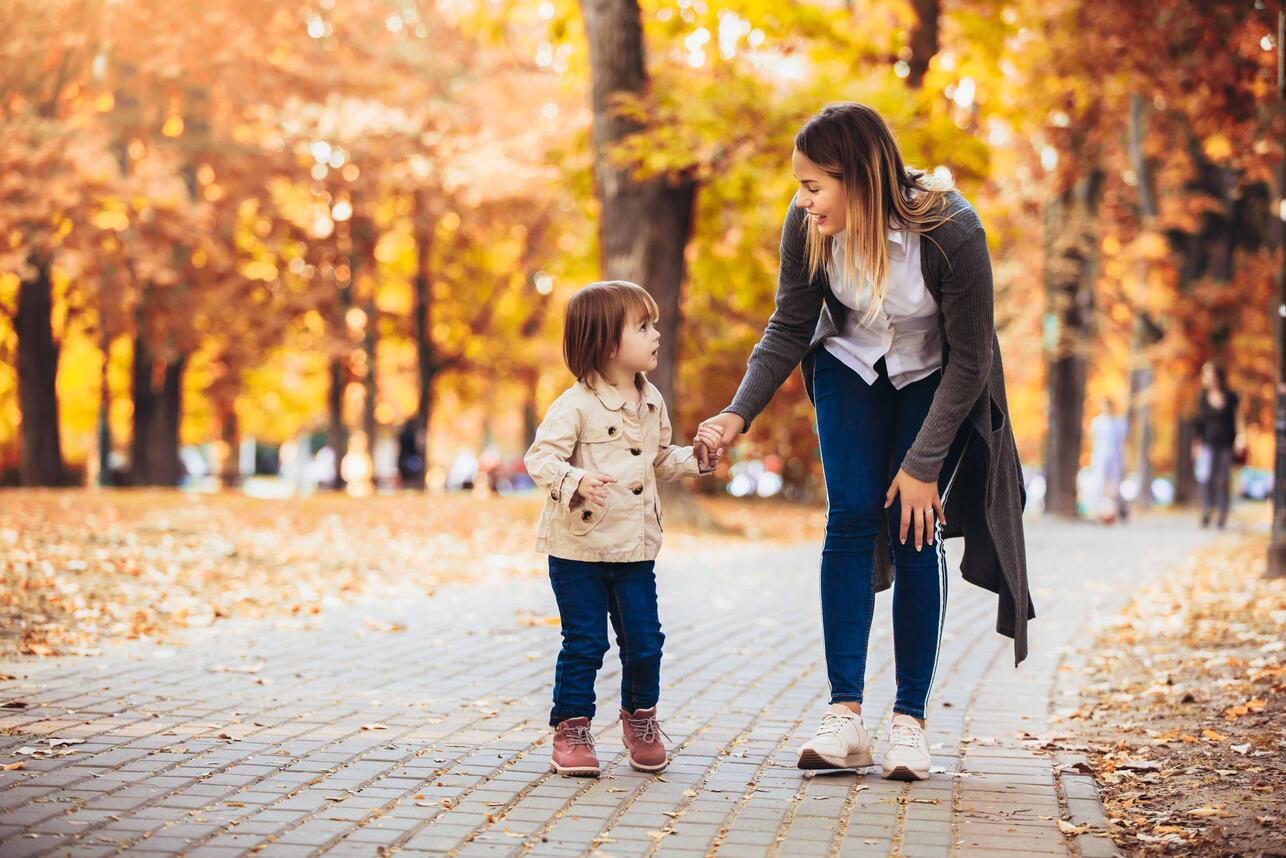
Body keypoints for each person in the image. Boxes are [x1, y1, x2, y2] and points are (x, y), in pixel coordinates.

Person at [697, 103, 1031, 781]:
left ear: (859, 179)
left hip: (935, 374)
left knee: (914, 525)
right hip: (851, 363)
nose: (802, 199)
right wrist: (738, 413)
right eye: (801, 185)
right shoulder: (809, 228)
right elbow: (789, 325)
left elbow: (971, 360)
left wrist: (923, 464)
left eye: (814, 185)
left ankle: (909, 721)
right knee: (850, 514)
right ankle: (844, 717)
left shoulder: (952, 230)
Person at [524, 280, 723, 778]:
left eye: (653, 324)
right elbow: (540, 457)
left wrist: (694, 460)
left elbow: (656, 459)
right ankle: (571, 727)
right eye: (643, 326)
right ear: (610, 344)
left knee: (645, 640)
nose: (657, 333)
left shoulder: (650, 398)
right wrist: (576, 478)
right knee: (585, 642)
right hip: (579, 548)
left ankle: (640, 719)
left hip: (634, 548)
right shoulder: (576, 404)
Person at [1192, 361, 1246, 529]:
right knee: (1206, 478)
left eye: (1208, 373)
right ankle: (1207, 508)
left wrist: (1240, 438)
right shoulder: (1202, 397)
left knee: (1223, 479)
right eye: (1204, 374)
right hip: (1208, 444)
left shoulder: (1231, 397)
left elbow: (1238, 419)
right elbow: (1199, 423)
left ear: (1217, 376)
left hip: (1226, 444)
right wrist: (1196, 444)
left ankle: (1223, 511)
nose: (1206, 377)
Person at [1088, 398, 1128, 523]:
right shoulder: (1097, 422)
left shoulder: (1119, 422)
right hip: (1100, 456)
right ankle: (1097, 512)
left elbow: (1123, 442)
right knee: (1098, 485)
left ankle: (1119, 511)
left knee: (1116, 485)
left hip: (1115, 456)